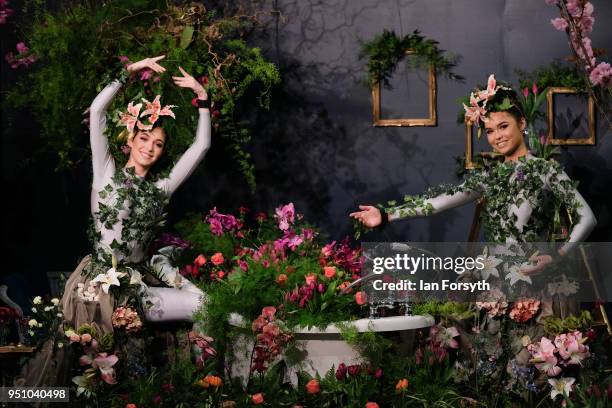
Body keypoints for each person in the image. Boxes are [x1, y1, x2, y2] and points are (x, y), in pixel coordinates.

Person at [16, 56, 211, 387]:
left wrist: (203, 100)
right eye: (144, 138)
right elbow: (97, 112)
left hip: (136, 289)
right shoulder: (106, 174)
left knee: (205, 305)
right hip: (97, 290)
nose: (149, 147)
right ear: (129, 141)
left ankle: (201, 386)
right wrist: (129, 72)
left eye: (158, 144)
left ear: (163, 152)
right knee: (72, 377)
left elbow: (201, 145)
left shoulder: (160, 190)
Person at [350, 74, 597, 273]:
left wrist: (556, 255)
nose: (497, 136)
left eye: (503, 126)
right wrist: (385, 215)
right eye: (489, 131)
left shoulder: (545, 170)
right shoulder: (490, 177)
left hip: (537, 281)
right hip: (499, 280)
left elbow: (587, 218)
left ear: (521, 123)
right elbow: (439, 202)